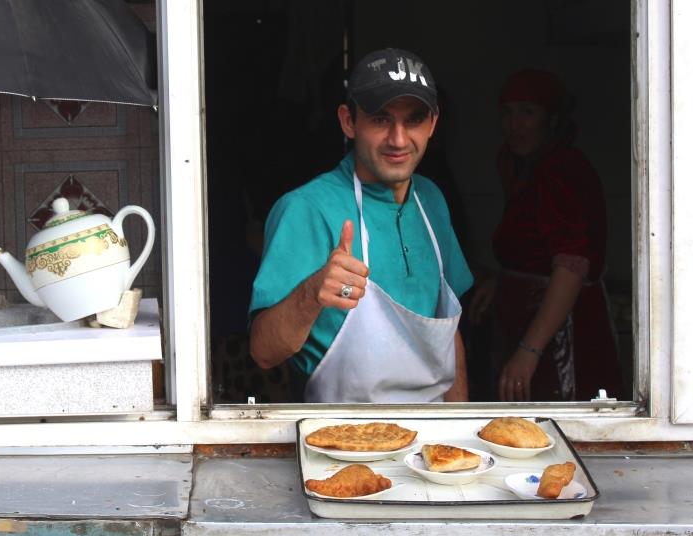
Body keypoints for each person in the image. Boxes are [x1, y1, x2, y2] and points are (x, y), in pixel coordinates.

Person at [248, 48, 473, 403]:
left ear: (432, 124)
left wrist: (462, 431)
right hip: (342, 440)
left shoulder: (431, 201)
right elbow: (263, 351)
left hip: (433, 445)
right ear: (349, 122)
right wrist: (312, 292)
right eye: (381, 120)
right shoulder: (306, 208)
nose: (399, 140)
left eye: (413, 120)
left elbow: (448, 334)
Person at [469, 69, 622, 402]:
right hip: (527, 318)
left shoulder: (561, 168)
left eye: (528, 112)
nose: (514, 124)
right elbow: (533, 247)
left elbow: (571, 265)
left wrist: (529, 351)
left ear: (551, 119)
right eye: (507, 113)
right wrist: (503, 279)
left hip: (559, 332)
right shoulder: (520, 165)